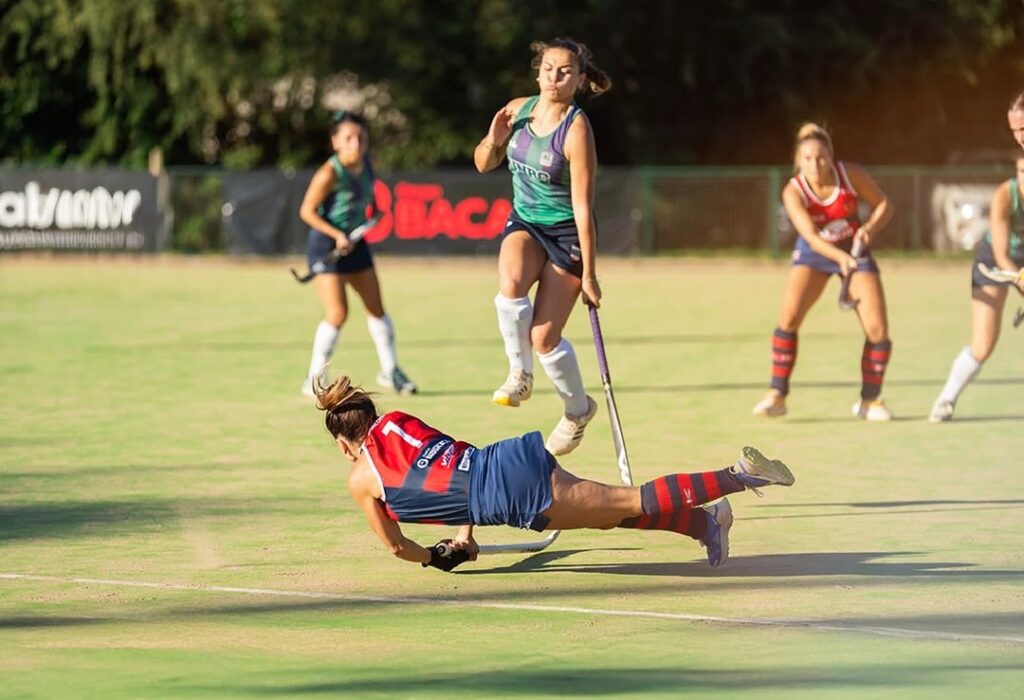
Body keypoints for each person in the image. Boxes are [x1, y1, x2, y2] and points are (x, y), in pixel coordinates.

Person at [315, 375, 796, 572]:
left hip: (515, 492)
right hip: (502, 464)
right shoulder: (399, 421)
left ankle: (740, 475)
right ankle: (704, 524)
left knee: (629, 501)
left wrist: (435, 558)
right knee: (606, 515)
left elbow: (397, 546)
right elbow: (455, 464)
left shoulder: (361, 479)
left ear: (342, 442)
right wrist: (463, 535)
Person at [473, 37, 611, 456]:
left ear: (580, 80)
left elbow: (584, 208)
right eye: (549, 68)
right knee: (510, 281)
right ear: (538, 72)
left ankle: (577, 410)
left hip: (566, 234)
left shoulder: (577, 129)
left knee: (545, 339)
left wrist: (589, 274)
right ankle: (519, 375)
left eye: (566, 71)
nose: (555, 77)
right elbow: (483, 163)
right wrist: (494, 139)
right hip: (526, 224)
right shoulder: (517, 110)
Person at [753, 123, 895, 420]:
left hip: (856, 250)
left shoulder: (851, 175)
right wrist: (838, 258)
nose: (814, 165)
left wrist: (868, 229)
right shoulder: (793, 191)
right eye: (807, 159)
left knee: (877, 329)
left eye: (820, 157)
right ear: (798, 160)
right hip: (814, 254)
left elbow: (884, 205)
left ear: (830, 156)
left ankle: (870, 400)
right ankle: (777, 395)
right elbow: (812, 237)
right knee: (788, 318)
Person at [298, 110, 417, 398]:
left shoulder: (367, 163)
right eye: (348, 138)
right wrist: (337, 235)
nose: (356, 143)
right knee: (338, 313)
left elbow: (370, 193)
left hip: (355, 244)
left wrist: (374, 210)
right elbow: (306, 212)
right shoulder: (328, 173)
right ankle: (314, 379)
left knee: (376, 309)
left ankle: (391, 371)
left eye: (361, 137)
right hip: (326, 247)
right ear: (335, 142)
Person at [930, 94, 1024, 422]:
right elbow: (1002, 254)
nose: (1020, 135)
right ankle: (946, 400)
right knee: (983, 344)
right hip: (998, 262)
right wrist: (1021, 278)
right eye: (1015, 130)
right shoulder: (1004, 196)